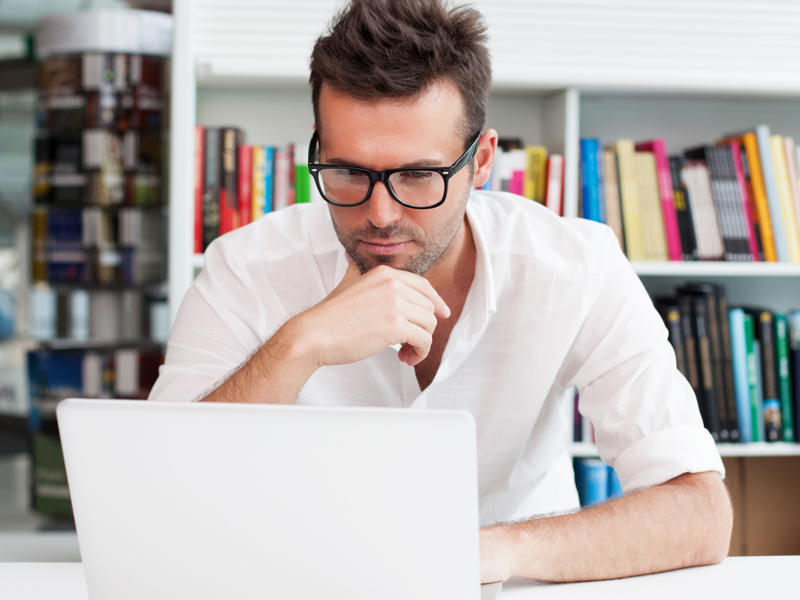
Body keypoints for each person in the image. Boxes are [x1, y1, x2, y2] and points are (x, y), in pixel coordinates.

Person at [149, 0, 732, 583]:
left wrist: (490, 551)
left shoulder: (575, 268)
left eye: (418, 176)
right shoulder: (246, 268)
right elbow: (156, 490)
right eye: (350, 171)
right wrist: (302, 342)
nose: (380, 215)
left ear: (480, 161)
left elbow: (700, 513)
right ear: (319, 150)